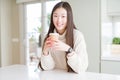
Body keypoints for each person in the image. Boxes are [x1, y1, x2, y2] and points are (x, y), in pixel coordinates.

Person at [39, 1, 88, 74]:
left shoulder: (77, 36)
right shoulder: (49, 37)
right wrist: (45, 51)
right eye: (55, 16)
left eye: (63, 16)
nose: (59, 20)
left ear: (69, 18)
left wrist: (68, 49)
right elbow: (48, 68)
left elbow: (81, 68)